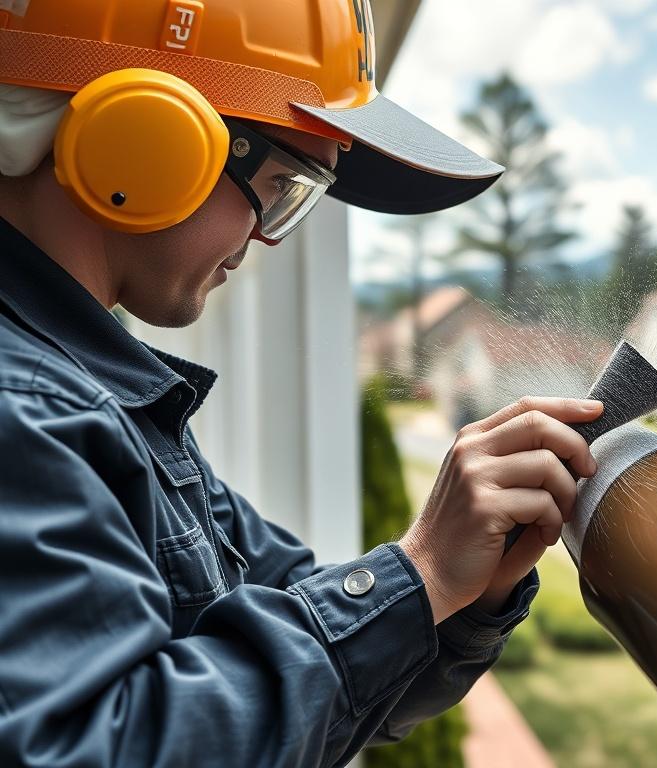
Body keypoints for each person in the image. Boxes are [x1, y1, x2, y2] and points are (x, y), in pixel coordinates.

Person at [0, 2, 601, 765]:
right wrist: (420, 572)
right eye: (284, 184)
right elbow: (95, 749)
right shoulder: (24, 410)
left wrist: (458, 589)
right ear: (143, 141)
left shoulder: (105, 397)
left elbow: (324, 685)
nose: (266, 237)